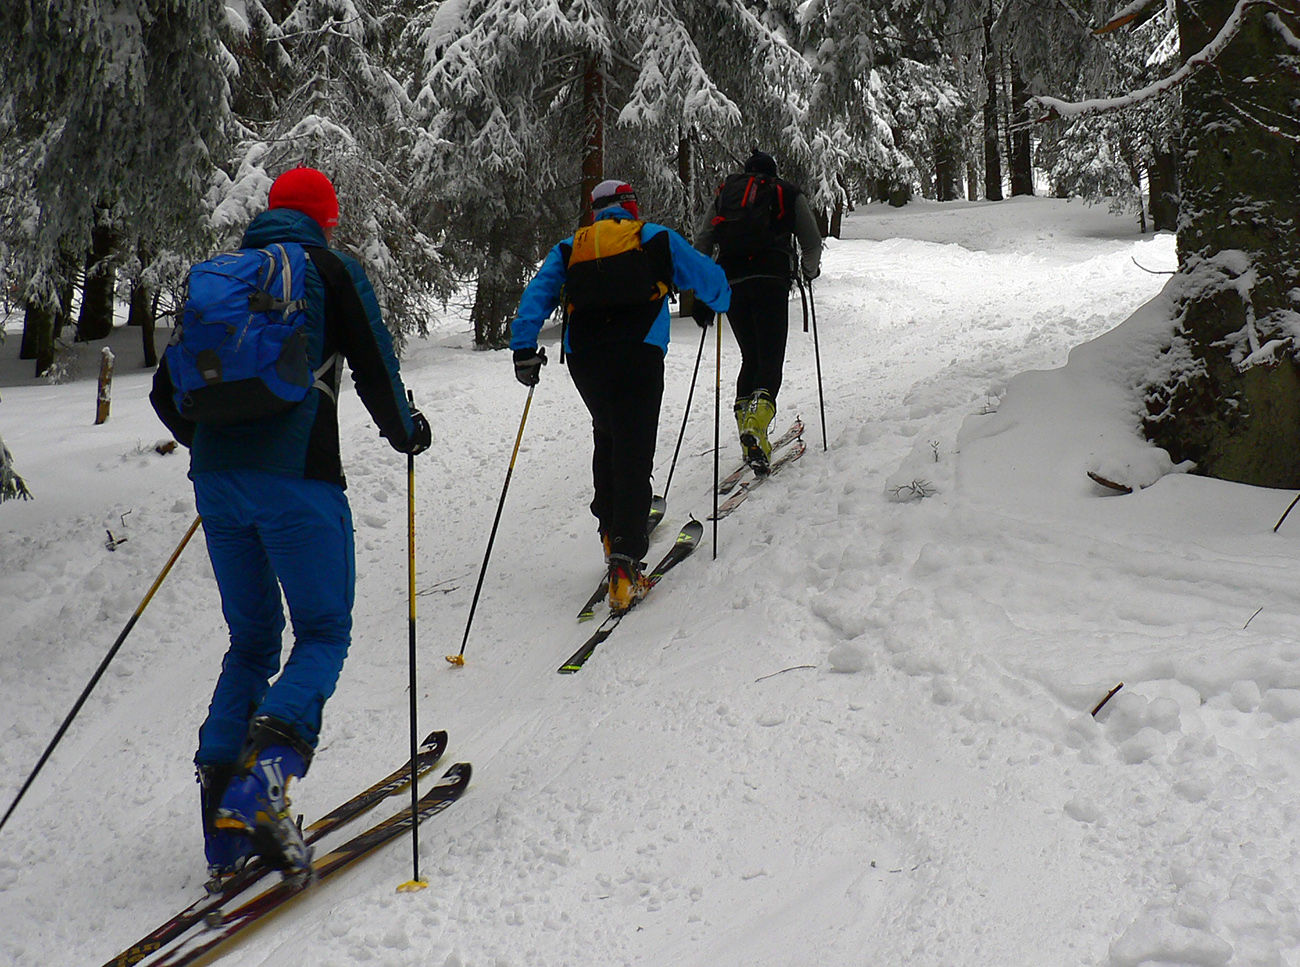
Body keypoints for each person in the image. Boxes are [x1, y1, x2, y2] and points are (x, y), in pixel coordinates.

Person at [150, 166, 431, 880]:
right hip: (299, 480)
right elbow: (374, 366)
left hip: (217, 484)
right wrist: (407, 433)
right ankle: (264, 781)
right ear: (325, 219)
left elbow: (165, 391)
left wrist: (217, 449)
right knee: (323, 630)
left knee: (250, 642)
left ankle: (224, 829)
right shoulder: (329, 271)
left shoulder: (220, 278)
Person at [510, 179, 730, 611]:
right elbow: (708, 278)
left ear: (595, 210)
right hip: (639, 351)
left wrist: (523, 348)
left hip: (585, 359)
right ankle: (626, 564)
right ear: (629, 206)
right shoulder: (653, 237)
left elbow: (537, 294)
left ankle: (611, 531)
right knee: (633, 446)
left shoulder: (571, 247)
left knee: (607, 433)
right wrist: (719, 300)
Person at [694, 149, 822, 471]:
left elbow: (703, 240)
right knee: (770, 358)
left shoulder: (726, 194)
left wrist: (704, 290)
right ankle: (756, 426)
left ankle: (747, 433)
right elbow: (812, 241)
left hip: (732, 282)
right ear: (773, 172)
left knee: (750, 357)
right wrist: (809, 272)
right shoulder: (785, 192)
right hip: (771, 280)